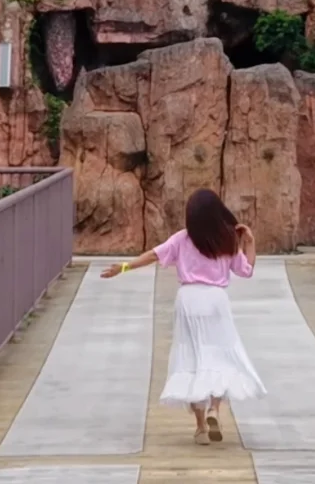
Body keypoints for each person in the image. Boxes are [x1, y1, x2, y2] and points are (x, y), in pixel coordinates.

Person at [102, 188, 266, 444]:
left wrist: (123, 267)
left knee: (191, 358)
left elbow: (153, 255)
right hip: (216, 302)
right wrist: (249, 242)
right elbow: (246, 271)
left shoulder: (181, 239)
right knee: (219, 356)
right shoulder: (227, 240)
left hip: (188, 300)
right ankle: (215, 408)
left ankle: (200, 428)